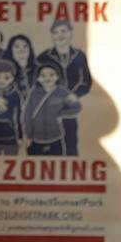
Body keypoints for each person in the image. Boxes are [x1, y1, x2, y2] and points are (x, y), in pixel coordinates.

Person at [37, 18, 92, 155]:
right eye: (55, 32)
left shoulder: (80, 55)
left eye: (63, 31)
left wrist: (73, 95)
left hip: (71, 106)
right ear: (51, 35)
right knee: (51, 143)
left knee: (71, 141)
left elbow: (86, 81)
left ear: (71, 33)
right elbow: (37, 81)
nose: (60, 35)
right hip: (49, 108)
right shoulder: (44, 57)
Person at [21, 61, 81, 157]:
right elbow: (27, 114)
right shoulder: (34, 92)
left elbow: (77, 107)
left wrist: (61, 114)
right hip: (36, 139)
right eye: (43, 75)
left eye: (51, 74)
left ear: (57, 76)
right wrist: (28, 135)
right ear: (38, 78)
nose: (47, 78)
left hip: (56, 138)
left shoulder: (63, 92)